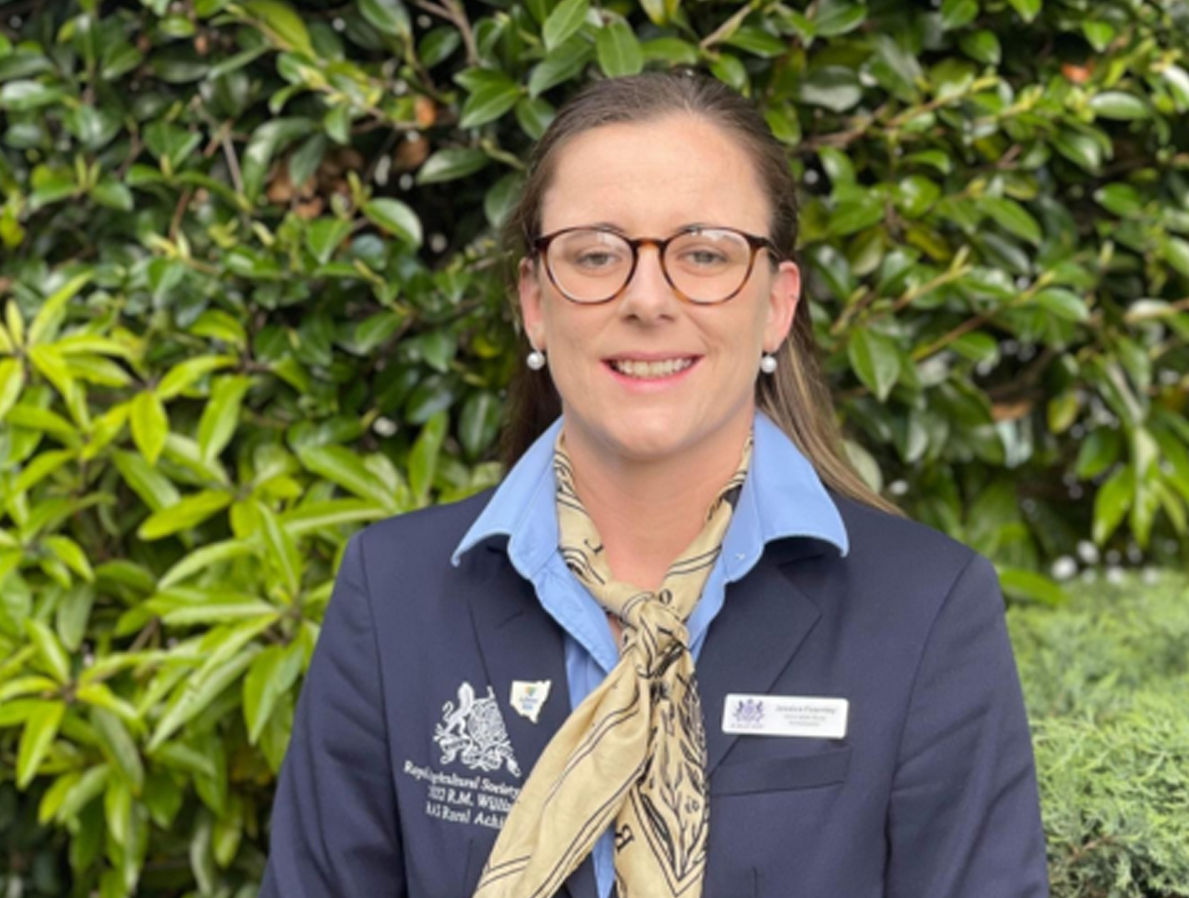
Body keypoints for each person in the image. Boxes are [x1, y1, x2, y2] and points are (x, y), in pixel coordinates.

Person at [259, 71, 1049, 898]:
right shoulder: (392, 595)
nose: (646, 298)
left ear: (776, 305)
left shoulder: (924, 608)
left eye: (703, 254)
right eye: (595, 255)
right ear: (534, 301)